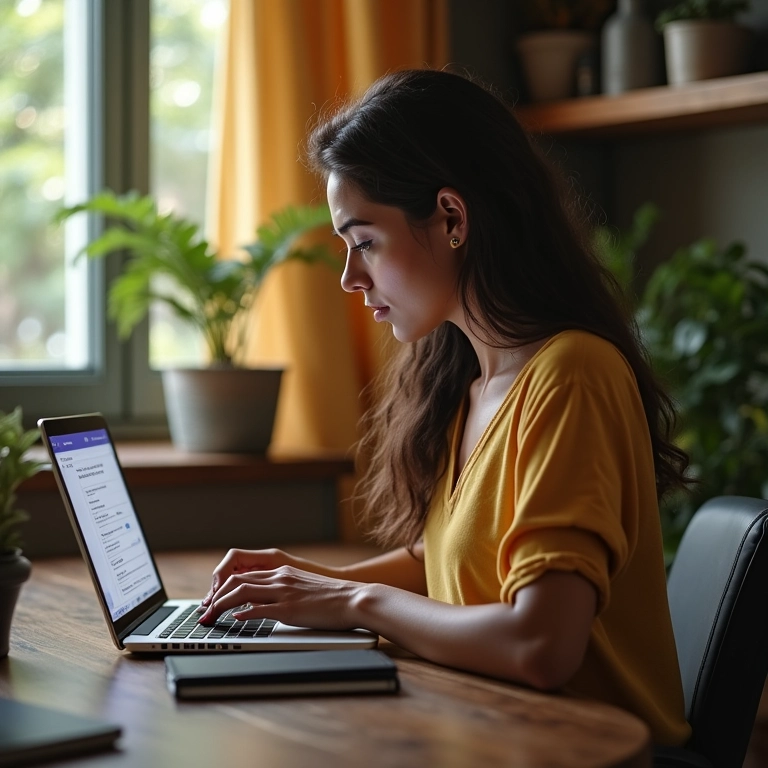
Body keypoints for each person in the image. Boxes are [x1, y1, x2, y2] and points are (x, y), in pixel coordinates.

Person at [198, 68, 691, 746]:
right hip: (492, 735)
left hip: (582, 752)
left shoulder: (571, 375)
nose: (349, 276)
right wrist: (304, 584)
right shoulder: (474, 382)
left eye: (364, 240)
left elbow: (541, 645)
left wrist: (351, 600)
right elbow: (452, 561)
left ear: (452, 218)